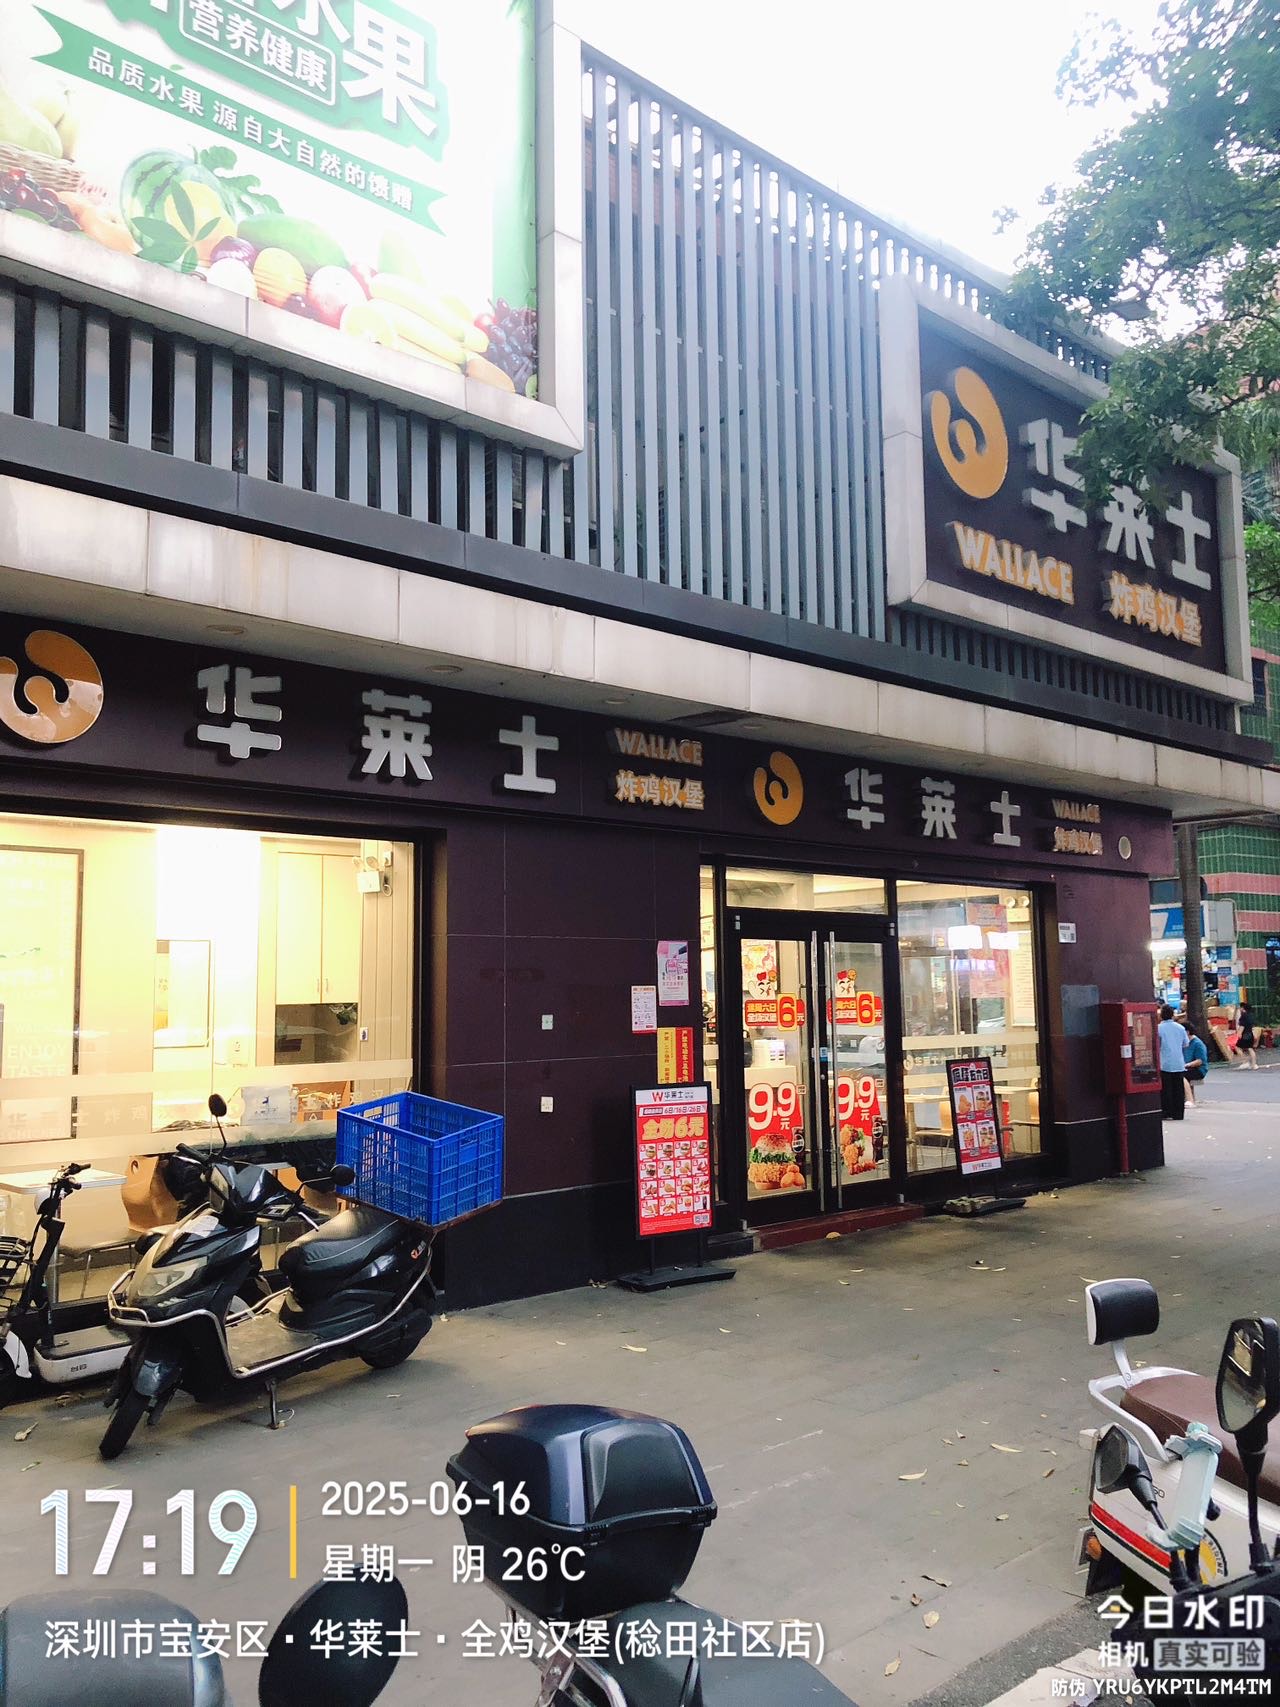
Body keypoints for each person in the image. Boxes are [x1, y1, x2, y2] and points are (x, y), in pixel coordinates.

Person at [1157, 1003, 1187, 1121]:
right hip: (1178, 1062)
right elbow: (1185, 1044)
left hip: (1164, 1062)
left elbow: (1157, 1045)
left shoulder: (1159, 1028)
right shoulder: (1180, 1028)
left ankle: (1166, 1111)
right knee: (1178, 1089)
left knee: (1166, 1089)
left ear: (1161, 1015)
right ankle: (1178, 1113)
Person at [1182, 1019, 1209, 1107]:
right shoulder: (1184, 1042)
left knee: (1181, 1075)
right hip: (1188, 1068)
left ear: (1187, 1032)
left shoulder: (1197, 1043)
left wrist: (1187, 1065)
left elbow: (1200, 1061)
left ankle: (1189, 1099)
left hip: (1199, 1069)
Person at [1233, 992, 1259, 1070]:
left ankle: (1245, 1062)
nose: (1240, 1009)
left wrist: (1239, 1033)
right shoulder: (1251, 1016)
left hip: (1244, 1034)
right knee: (1250, 1048)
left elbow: (1242, 1026)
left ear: (1243, 1008)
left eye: (1240, 1008)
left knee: (1237, 1047)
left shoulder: (1243, 1016)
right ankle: (1254, 1064)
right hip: (1250, 1034)